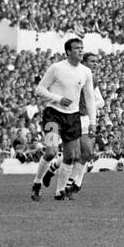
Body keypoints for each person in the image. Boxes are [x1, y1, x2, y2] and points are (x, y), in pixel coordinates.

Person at [32, 37, 95, 202]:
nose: (80, 51)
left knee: (70, 156)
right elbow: (39, 89)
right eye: (76, 48)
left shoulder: (86, 72)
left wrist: (93, 121)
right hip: (53, 114)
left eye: (82, 48)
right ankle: (37, 182)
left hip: (73, 117)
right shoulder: (56, 68)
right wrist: (58, 99)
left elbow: (90, 99)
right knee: (52, 151)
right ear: (68, 52)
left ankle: (59, 192)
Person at [65, 50, 104, 197]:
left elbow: (98, 101)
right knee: (73, 154)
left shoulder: (93, 79)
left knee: (87, 153)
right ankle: (58, 176)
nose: (95, 64)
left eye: (96, 62)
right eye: (92, 61)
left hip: (86, 119)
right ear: (84, 62)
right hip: (72, 118)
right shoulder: (73, 75)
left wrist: (92, 116)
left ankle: (73, 184)